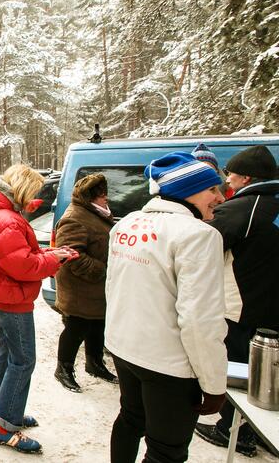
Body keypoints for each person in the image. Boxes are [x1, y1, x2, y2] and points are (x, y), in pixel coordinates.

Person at [105, 152, 227, 463]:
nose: (220, 197)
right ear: (189, 190)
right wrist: (214, 384)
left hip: (125, 348)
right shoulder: (199, 235)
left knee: (131, 419)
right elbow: (201, 318)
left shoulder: (127, 223)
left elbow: (114, 288)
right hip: (168, 364)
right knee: (166, 451)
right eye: (213, 189)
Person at [0, 164, 76, 454]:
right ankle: (3, 426)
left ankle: (2, 407)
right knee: (23, 360)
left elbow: (21, 255)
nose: (35, 197)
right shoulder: (8, 219)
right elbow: (23, 266)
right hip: (13, 298)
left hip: (4, 295)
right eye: (33, 191)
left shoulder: (2, 214)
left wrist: (50, 253)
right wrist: (55, 261)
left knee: (8, 351)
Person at [194, 145, 279, 457]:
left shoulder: (240, 210)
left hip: (244, 307)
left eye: (229, 174)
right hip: (271, 306)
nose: (226, 180)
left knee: (237, 370)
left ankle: (234, 431)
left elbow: (198, 248)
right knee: (268, 372)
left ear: (245, 177)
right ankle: (261, 429)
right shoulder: (272, 205)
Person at [53, 173, 117, 393]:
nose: (106, 198)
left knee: (97, 325)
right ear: (90, 197)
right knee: (76, 328)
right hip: (80, 288)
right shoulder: (75, 217)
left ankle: (95, 363)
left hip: (95, 288)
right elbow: (71, 255)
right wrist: (103, 271)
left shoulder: (96, 213)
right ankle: (64, 369)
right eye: (101, 195)